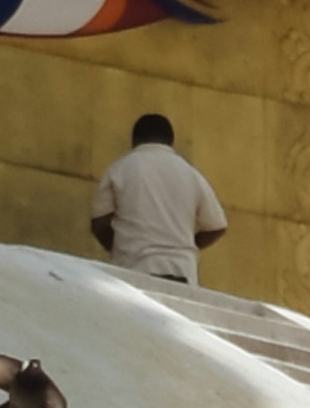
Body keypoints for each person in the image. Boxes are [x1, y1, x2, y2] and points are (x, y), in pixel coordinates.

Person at [86, 108, 225, 283]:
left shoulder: (120, 169)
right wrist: (186, 245)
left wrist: (118, 248)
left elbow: (99, 223)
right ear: (170, 142)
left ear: (135, 140)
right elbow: (217, 226)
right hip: (183, 272)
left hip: (136, 268)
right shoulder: (191, 174)